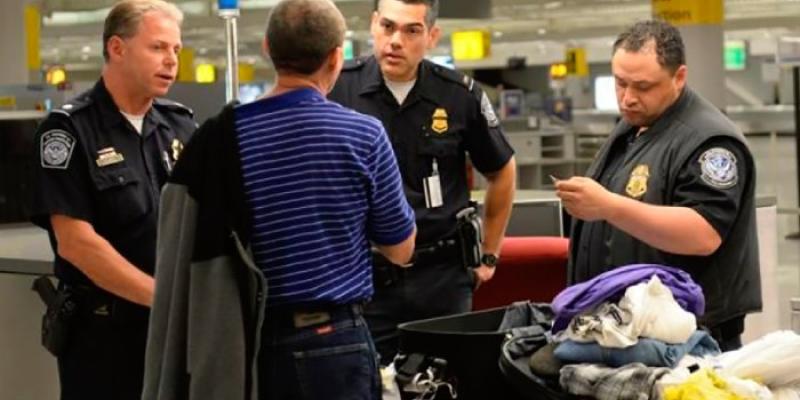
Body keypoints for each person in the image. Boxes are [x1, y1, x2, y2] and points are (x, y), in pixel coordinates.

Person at [142, 1, 416, 399]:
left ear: (267, 48)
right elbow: (401, 248)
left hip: (250, 346)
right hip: (337, 343)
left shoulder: (224, 138)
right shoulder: (364, 135)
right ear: (335, 58)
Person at [555, 20, 761, 351]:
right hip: (626, 332)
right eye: (620, 83)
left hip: (687, 341)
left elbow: (703, 234)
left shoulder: (709, 141)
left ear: (679, 77)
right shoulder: (635, 128)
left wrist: (608, 206)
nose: (628, 98)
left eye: (643, 86)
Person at [328, 0, 516, 363]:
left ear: (432, 36)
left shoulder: (459, 95)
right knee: (367, 380)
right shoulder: (339, 90)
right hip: (364, 275)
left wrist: (489, 254)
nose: (396, 40)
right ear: (373, 25)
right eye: (387, 26)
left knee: (448, 379)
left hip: (442, 275)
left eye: (412, 30)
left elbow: (502, 170)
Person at [29, 1, 195, 399]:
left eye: (176, 49)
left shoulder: (180, 126)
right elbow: (76, 243)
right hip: (103, 336)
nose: (171, 60)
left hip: (175, 333)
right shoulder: (68, 131)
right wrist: (163, 299)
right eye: (158, 47)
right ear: (117, 48)